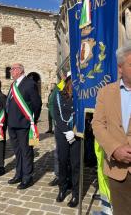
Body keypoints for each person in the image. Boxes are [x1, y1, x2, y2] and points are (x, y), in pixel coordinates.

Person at [92, 41, 131, 215]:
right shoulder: (106, 92)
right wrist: (114, 149)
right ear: (120, 68)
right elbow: (98, 124)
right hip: (118, 170)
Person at [7, 63, 42, 190]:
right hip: (12, 124)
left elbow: (37, 104)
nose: (11, 71)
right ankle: (19, 174)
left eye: (12, 69)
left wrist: (32, 120)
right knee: (17, 151)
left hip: (24, 125)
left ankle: (27, 177)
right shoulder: (13, 85)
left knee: (26, 152)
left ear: (19, 70)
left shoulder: (29, 83)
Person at [54, 73, 80, 208]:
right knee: (63, 161)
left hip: (77, 133)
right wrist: (66, 130)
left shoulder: (81, 94)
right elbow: (56, 115)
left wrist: (74, 130)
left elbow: (82, 113)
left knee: (76, 164)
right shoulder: (58, 95)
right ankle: (62, 188)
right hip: (62, 133)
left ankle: (76, 193)